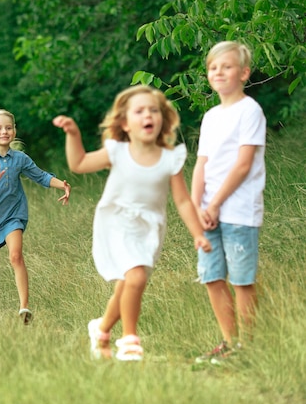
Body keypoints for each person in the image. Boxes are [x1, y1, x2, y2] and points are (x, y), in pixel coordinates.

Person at [53, 85, 211, 361]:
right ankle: (129, 341)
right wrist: (74, 134)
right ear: (125, 123)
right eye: (139, 111)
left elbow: (183, 201)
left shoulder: (170, 157)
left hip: (149, 228)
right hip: (116, 222)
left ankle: (101, 330)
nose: (148, 115)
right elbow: (78, 163)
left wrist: (197, 233)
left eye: (153, 110)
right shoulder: (117, 151)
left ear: (162, 119)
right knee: (135, 276)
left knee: (128, 283)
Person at [191, 41, 266, 364]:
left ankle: (248, 347)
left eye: (227, 66)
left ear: (244, 73)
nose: (218, 72)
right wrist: (196, 206)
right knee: (212, 276)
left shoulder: (250, 110)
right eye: (213, 67)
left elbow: (243, 164)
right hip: (207, 213)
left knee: (241, 279)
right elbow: (202, 163)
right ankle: (229, 342)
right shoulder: (210, 116)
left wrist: (216, 203)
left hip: (237, 210)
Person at [0, 109, 71, 324]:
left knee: (16, 256)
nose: (4, 131)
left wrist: (62, 185)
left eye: (8, 127)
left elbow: (40, 176)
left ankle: (24, 307)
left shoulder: (20, 158)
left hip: (14, 215)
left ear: (14, 132)